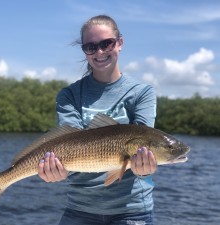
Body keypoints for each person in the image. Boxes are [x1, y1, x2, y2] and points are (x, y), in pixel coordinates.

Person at [38, 15, 157, 225]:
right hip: (79, 209)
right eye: (91, 47)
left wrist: (144, 166)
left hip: (132, 211)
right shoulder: (69, 95)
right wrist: (55, 171)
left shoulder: (142, 93)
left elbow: (144, 140)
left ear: (120, 43)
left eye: (106, 43)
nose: (100, 52)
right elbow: (69, 144)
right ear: (84, 50)